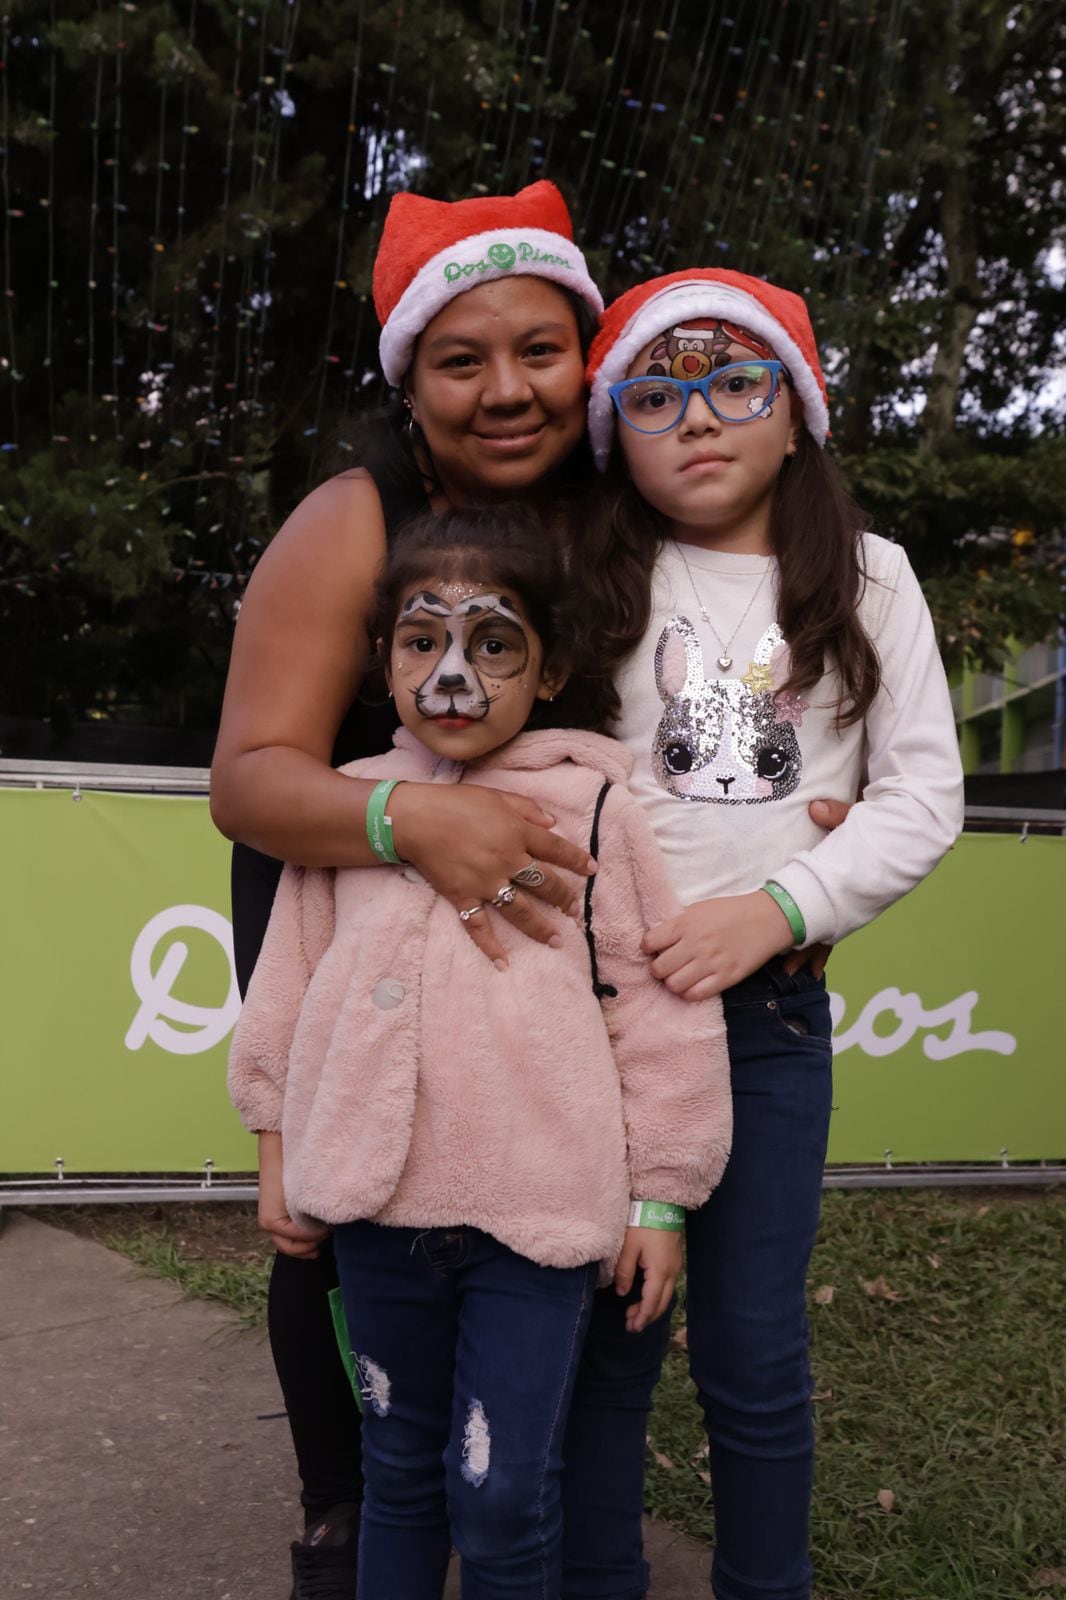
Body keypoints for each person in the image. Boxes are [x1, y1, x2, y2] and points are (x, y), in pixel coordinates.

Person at [213, 179, 609, 1598]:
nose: (506, 389)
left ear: (587, 357)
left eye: (540, 350)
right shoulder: (354, 517)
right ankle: (344, 1540)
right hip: (350, 933)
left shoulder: (617, 522)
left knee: (538, 1356)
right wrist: (408, 823)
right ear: (410, 380)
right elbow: (247, 778)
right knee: (336, 1265)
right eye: (461, 357)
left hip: (547, 998)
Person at [227, 505, 733, 1599]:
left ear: (547, 671)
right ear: (384, 659)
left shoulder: (594, 807)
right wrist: (278, 1144)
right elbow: (285, 987)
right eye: (422, 641)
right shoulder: (350, 806)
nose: (452, 672)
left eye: (492, 642)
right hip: (373, 1211)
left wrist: (659, 1198)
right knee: (398, 1474)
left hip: (537, 1219)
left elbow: (650, 1009)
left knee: (501, 1493)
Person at [557, 268, 964, 1600]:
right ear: (616, 429)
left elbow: (919, 796)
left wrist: (781, 903)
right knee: (610, 1340)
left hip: (771, 1023)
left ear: (797, 413)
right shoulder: (586, 569)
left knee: (750, 1348)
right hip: (607, 1022)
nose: (700, 419)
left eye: (738, 384)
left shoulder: (864, 574)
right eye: (657, 396)